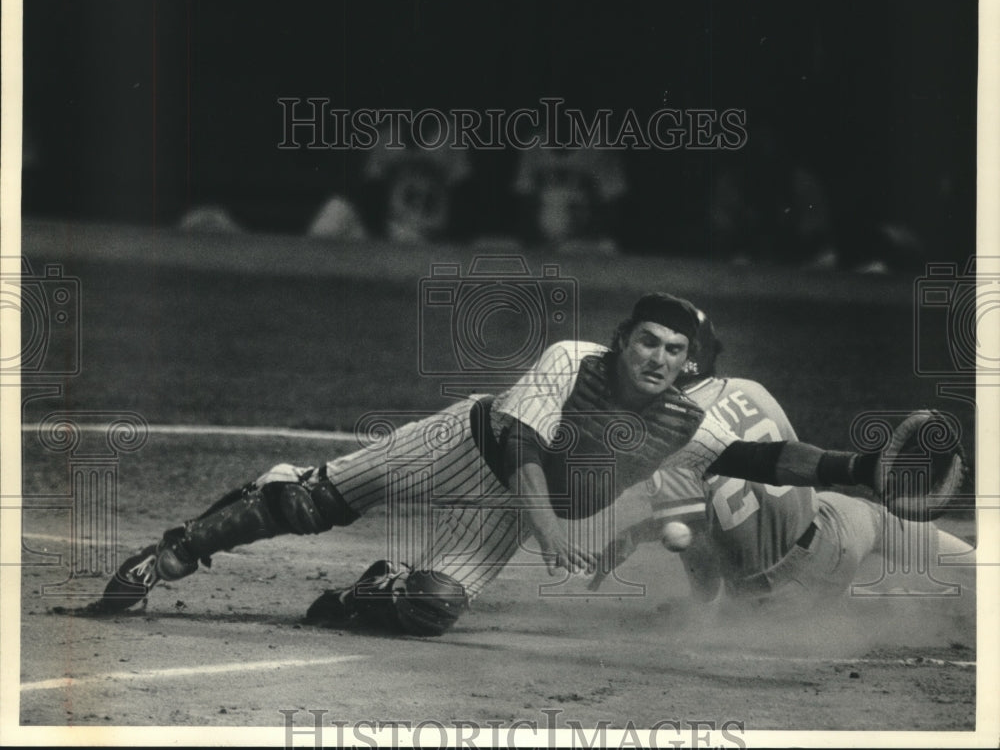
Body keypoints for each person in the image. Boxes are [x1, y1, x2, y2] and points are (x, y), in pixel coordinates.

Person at [90, 293, 891, 635]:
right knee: (313, 503)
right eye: (647, 339)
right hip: (463, 448)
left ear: (687, 366)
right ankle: (174, 552)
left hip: (512, 507)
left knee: (434, 607)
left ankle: (375, 588)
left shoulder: (684, 418)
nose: (658, 355)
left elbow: (771, 455)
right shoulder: (573, 360)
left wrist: (866, 468)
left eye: (675, 350)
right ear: (622, 340)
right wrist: (549, 525)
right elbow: (520, 445)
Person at [588, 314, 975, 612]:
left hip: (775, 603)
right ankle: (979, 571)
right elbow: (794, 479)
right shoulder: (750, 390)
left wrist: (693, 609)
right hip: (831, 540)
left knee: (723, 604)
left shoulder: (660, 438)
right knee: (873, 517)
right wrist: (640, 532)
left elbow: (703, 570)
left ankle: (891, 607)